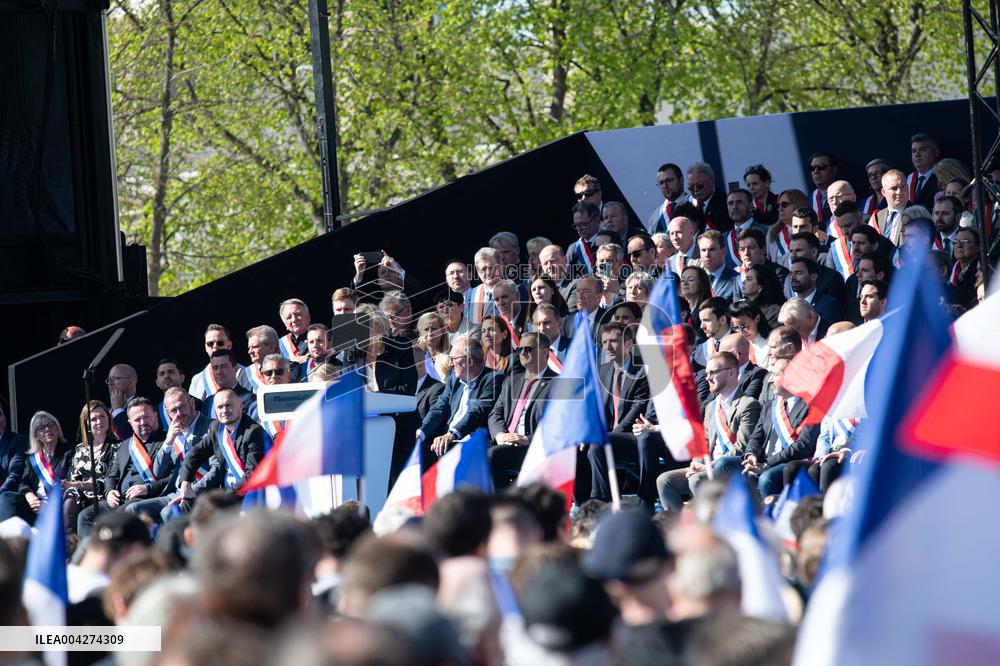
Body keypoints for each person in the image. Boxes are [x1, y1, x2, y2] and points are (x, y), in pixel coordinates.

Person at [657, 352, 761, 512]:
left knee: (697, 480)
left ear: (732, 372)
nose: (708, 378)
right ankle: (679, 530)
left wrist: (706, 466)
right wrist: (697, 463)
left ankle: (707, 528)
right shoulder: (711, 407)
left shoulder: (748, 404)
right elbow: (703, 441)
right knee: (665, 481)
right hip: (708, 466)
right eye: (706, 373)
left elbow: (742, 447)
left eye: (713, 372)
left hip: (729, 467)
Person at [77, 397, 166, 536]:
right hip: (120, 499)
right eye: (137, 419)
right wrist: (109, 492)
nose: (142, 423)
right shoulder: (125, 445)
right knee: (85, 516)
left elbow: (172, 477)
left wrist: (147, 488)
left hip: (146, 497)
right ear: (130, 422)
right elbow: (112, 475)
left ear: (155, 416)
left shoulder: (166, 442)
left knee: (116, 518)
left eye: (146, 417)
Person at [737, 358, 820, 499]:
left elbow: (804, 445)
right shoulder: (770, 406)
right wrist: (751, 456)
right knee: (726, 467)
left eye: (775, 375)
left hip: (792, 463)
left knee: (767, 478)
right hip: (765, 461)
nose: (770, 381)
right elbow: (756, 436)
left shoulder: (812, 404)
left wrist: (767, 464)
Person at [129, 387, 214, 524]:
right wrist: (168, 441)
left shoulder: (211, 427)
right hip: (175, 493)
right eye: (174, 410)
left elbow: (216, 468)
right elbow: (158, 472)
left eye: (182, 407)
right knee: (132, 509)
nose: (179, 413)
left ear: (191, 403)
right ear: (168, 413)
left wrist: (191, 491)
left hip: (200, 492)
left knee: (168, 512)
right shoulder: (174, 432)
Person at [587, 322, 650, 503]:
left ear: (629, 343)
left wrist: (609, 435)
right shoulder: (604, 371)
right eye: (604, 342)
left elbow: (639, 407)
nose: (607, 347)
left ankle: (600, 502)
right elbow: (596, 408)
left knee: (598, 445)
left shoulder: (642, 371)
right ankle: (583, 504)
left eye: (613, 341)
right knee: (577, 447)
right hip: (607, 436)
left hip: (633, 436)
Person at [173, 388, 268, 505]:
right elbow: (195, 454)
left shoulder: (254, 432)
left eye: (229, 405)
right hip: (224, 492)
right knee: (182, 505)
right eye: (220, 407)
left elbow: (252, 477)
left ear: (240, 406)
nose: (224, 410)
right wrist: (185, 482)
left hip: (248, 496)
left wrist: (225, 498)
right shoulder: (217, 428)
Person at [417, 336, 505, 461]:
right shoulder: (454, 379)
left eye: (453, 359)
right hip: (448, 440)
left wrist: (451, 434)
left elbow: (477, 411)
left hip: (472, 442)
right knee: (410, 449)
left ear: (469, 361)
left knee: (429, 457)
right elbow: (439, 409)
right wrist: (420, 433)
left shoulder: (494, 379)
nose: (450, 364)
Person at [487, 332, 556, 490]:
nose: (523, 353)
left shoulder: (557, 383)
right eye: (520, 349)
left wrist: (526, 438)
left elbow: (558, 425)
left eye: (528, 349)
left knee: (493, 456)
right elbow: (495, 414)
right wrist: (500, 435)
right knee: (470, 452)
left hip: (533, 446)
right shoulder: (511, 381)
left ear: (545, 352)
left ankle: (502, 506)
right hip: (505, 442)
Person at [64, 401, 121, 536]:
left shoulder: (117, 447)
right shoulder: (80, 449)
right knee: (70, 497)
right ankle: (69, 547)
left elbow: (107, 481)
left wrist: (79, 484)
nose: (99, 421)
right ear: (86, 424)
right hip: (80, 498)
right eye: (93, 419)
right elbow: (72, 478)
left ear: (109, 418)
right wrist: (74, 484)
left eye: (102, 416)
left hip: (103, 497)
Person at [15, 411, 73, 524]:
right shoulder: (33, 458)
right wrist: (30, 496)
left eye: (51, 425)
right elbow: (23, 482)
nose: (47, 430)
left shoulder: (69, 452)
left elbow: (69, 482)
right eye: (42, 428)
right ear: (36, 435)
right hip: (36, 505)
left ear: (57, 429)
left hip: (60, 504)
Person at [188, 324, 252, 401]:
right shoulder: (197, 379)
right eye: (210, 344)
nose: (215, 346)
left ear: (229, 345)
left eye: (220, 343)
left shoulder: (245, 373)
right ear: (205, 347)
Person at [785, 231, 846, 302]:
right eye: (791, 251)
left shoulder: (832, 279)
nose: (793, 255)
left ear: (814, 252)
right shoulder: (788, 280)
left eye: (798, 250)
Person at [201, 349, 259, 422]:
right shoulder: (208, 402)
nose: (219, 372)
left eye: (223, 367)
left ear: (235, 369)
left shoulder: (250, 400)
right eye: (215, 368)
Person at [789, 257, 844, 324]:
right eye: (791, 273)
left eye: (799, 273)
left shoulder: (829, 304)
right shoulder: (789, 306)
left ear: (814, 277)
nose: (792, 277)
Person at [697, 231, 742, 302]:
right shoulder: (695, 279)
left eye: (711, 249)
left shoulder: (737, 280)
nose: (707, 254)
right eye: (703, 250)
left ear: (723, 251)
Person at [767, 188, 809, 263]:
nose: (780, 209)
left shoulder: (811, 227)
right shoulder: (772, 233)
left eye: (784, 205)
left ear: (797, 204)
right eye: (778, 206)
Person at [870, 169, 910, 246]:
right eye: (894, 188)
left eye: (903, 187)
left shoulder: (918, 214)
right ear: (884, 192)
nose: (899, 192)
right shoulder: (877, 218)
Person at [647, 163, 689, 233]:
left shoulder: (694, 204)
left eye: (669, 180)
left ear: (681, 180)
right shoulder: (656, 213)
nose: (665, 186)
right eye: (661, 183)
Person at [729, 299, 771, 368]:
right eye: (736, 327)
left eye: (744, 326)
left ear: (757, 318)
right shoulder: (737, 345)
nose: (741, 332)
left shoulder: (772, 342)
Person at [688, 162, 730, 231]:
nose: (695, 190)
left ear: (712, 181)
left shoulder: (725, 204)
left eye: (699, 185)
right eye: (691, 187)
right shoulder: (688, 205)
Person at [468, 247, 504, 326]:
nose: (488, 273)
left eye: (491, 268)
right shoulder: (472, 294)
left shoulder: (515, 289)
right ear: (478, 271)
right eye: (483, 269)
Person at [531, 303, 571, 370]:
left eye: (546, 322)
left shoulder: (575, 346)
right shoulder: (531, 353)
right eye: (537, 324)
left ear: (560, 323)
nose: (542, 329)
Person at [743, 264, 785, 329]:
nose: (743, 282)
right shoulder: (743, 307)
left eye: (749, 279)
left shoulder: (773, 311)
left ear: (760, 287)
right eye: (746, 278)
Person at [693, 297, 731, 367]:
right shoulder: (700, 351)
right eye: (701, 321)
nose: (702, 326)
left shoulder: (743, 344)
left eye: (707, 320)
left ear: (722, 320)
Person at [950, 227, 981, 309]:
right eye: (956, 242)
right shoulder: (952, 268)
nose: (959, 246)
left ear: (978, 247)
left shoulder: (980, 271)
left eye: (965, 242)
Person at [908, 132, 940, 210]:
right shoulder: (909, 179)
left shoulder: (941, 176)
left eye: (923, 150)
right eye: (914, 151)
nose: (917, 154)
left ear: (936, 152)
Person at [567, 201, 601, 275]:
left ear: (597, 219)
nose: (579, 229)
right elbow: (568, 277)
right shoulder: (573, 248)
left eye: (583, 224)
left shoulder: (609, 239)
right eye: (576, 225)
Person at [415, 312, 451, 382]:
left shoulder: (452, 354)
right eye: (426, 329)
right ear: (420, 333)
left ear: (442, 331)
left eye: (434, 329)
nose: (430, 333)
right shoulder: (416, 355)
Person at [106, 363, 138, 440]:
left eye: (115, 378)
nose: (110, 383)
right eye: (108, 380)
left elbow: (130, 435)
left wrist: (118, 410)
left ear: (130, 382)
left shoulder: (142, 406)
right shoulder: (106, 411)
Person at [679, 265, 712, 337]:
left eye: (690, 280)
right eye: (682, 280)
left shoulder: (707, 310)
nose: (685, 283)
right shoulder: (679, 307)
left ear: (701, 284)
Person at [808, 151, 839, 228]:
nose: (816, 171)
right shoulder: (807, 201)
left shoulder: (847, 193)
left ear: (834, 170)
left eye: (821, 167)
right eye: (812, 168)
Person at [276, 298, 311, 362]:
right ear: (285, 324)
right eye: (289, 317)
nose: (294, 320)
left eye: (298, 314)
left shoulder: (322, 336)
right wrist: (294, 360)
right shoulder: (279, 345)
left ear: (308, 316)